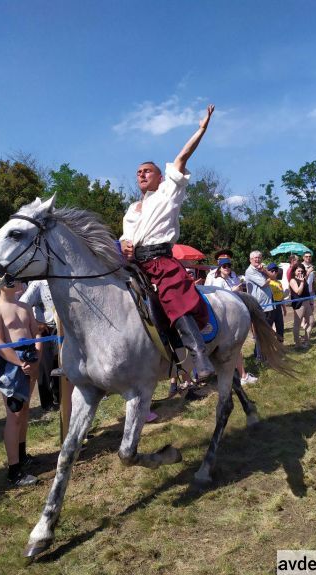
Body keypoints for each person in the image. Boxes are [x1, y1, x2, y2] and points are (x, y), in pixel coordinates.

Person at [120, 105, 215, 380]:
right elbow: (126, 238)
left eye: (147, 171)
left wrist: (201, 130)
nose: (141, 174)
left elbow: (182, 157)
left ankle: (199, 355)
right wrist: (124, 246)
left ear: (161, 176)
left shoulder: (168, 192)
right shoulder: (130, 209)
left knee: (173, 295)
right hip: (134, 264)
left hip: (161, 261)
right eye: (138, 172)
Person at [0, 283, 42, 486]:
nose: (16, 281)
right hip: (12, 365)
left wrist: (37, 354)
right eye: (10, 278)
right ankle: (14, 471)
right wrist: (20, 363)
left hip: (30, 360)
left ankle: (22, 456)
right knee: (15, 416)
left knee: (24, 412)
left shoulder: (25, 306)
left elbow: (36, 332)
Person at [210, 257, 257, 384]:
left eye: (229, 266)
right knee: (235, 349)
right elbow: (219, 299)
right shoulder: (218, 281)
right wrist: (234, 291)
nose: (227, 268)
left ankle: (233, 374)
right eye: (224, 266)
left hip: (232, 316)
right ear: (219, 268)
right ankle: (243, 376)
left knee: (232, 349)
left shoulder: (229, 279)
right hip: (225, 318)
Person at [20, 280, 60, 412]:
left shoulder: (61, 278)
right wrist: (36, 323)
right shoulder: (38, 284)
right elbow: (20, 307)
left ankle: (58, 398)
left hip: (61, 330)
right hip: (45, 331)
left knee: (59, 365)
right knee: (45, 368)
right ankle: (47, 403)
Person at [245, 250, 276, 361]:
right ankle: (260, 357)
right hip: (259, 306)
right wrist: (268, 273)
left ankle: (263, 353)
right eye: (255, 258)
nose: (257, 260)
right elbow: (265, 282)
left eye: (259, 257)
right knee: (260, 333)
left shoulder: (262, 268)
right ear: (250, 260)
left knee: (266, 331)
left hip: (268, 304)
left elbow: (273, 277)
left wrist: (265, 271)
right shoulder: (250, 271)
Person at [289, 263, 314, 349]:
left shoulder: (303, 278)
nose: (300, 272)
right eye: (298, 271)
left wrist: (311, 303)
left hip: (307, 302)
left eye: (301, 271)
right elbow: (298, 292)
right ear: (294, 271)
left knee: (311, 321)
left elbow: (307, 291)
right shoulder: (292, 280)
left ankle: (306, 341)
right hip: (299, 304)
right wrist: (302, 282)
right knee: (297, 324)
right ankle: (297, 344)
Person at [266, 262, 287, 343]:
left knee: (280, 326)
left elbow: (281, 296)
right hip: (271, 306)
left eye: (275, 270)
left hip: (278, 306)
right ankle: (269, 346)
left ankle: (280, 345)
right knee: (269, 327)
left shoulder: (279, 283)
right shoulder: (268, 283)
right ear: (268, 272)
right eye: (271, 271)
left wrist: (284, 308)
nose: (274, 272)